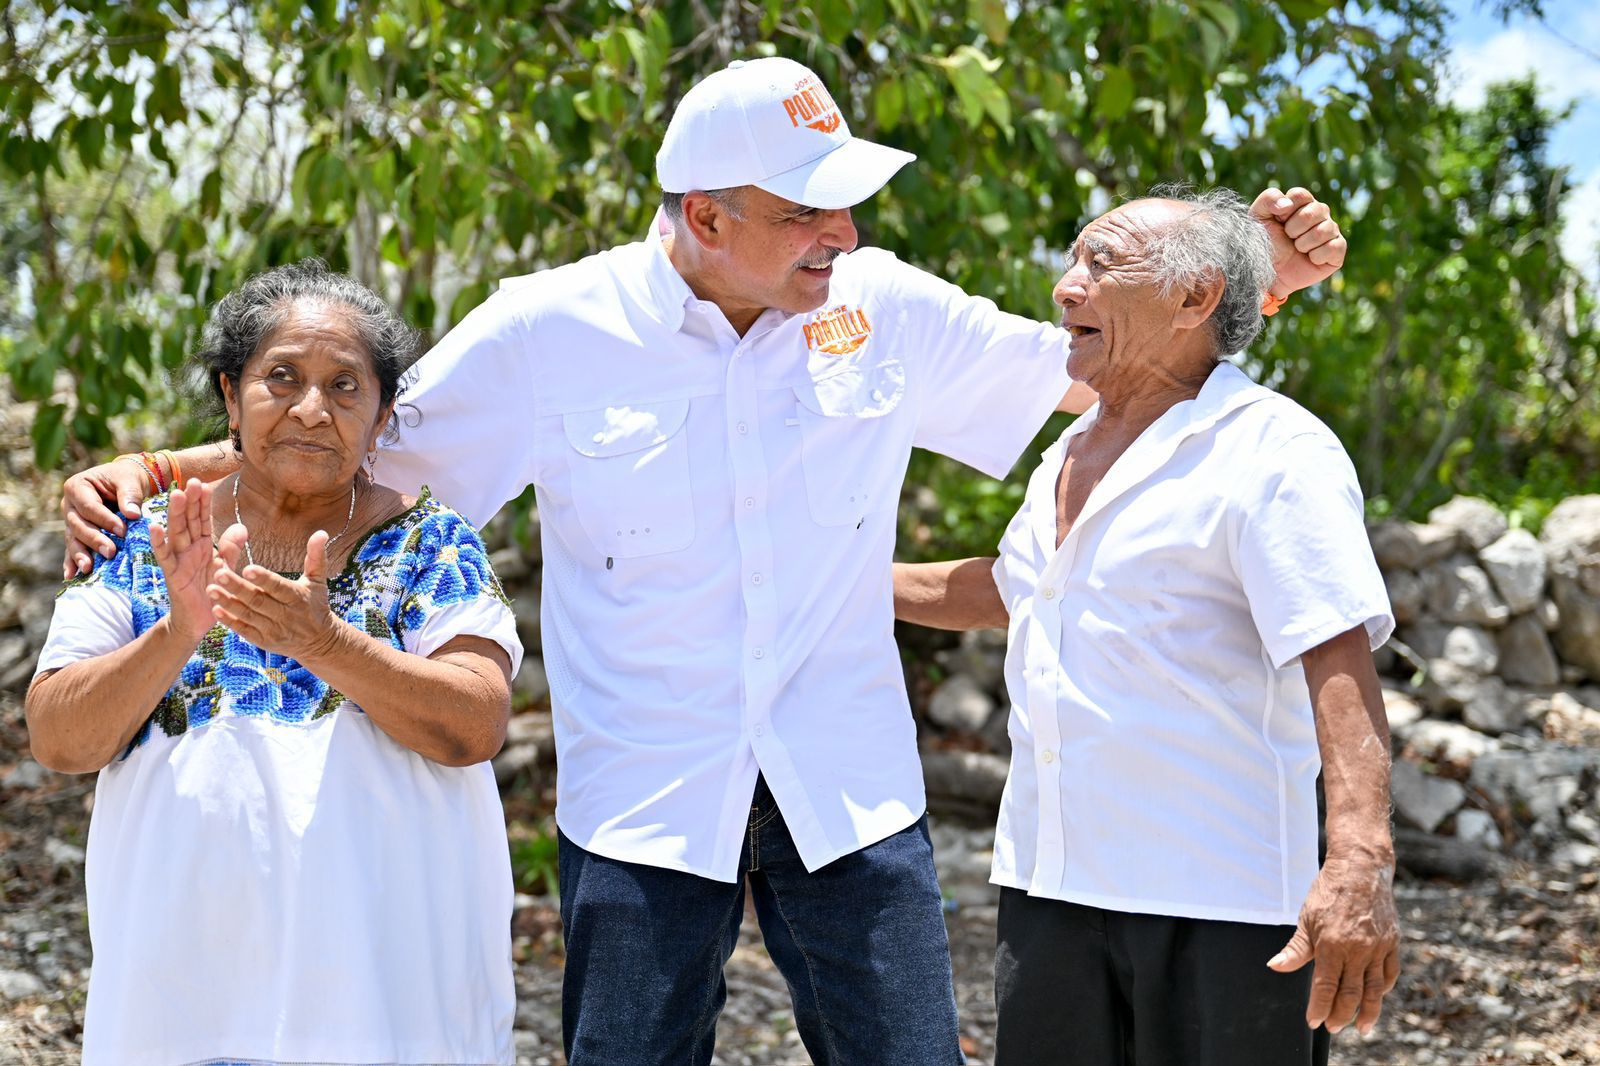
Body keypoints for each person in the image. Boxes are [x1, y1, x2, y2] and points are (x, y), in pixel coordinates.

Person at [59, 60, 1346, 1065]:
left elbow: (1093, 367)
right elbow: (350, 439)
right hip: (642, 803)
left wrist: (1251, 285)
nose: (840, 226)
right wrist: (161, 473)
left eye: (844, 199)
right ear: (706, 214)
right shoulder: (547, 329)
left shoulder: (884, 304)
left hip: (845, 789)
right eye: (805, 208)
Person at [894, 188, 1396, 1066]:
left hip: (1223, 904)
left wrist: (1359, 860)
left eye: (1101, 261)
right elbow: (1017, 588)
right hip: (1051, 891)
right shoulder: (1069, 449)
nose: (1064, 285)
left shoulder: (1274, 447)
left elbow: (1337, 655)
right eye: (1073, 256)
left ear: (1195, 299)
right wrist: (829, 579)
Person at [29, 261, 523, 1066]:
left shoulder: (431, 543)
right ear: (230, 395)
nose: (310, 409)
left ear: (383, 415)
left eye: (344, 387)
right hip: (181, 1008)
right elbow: (58, 739)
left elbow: (475, 723)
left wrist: (326, 645)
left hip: (386, 1010)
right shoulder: (144, 539)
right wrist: (178, 630)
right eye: (281, 378)